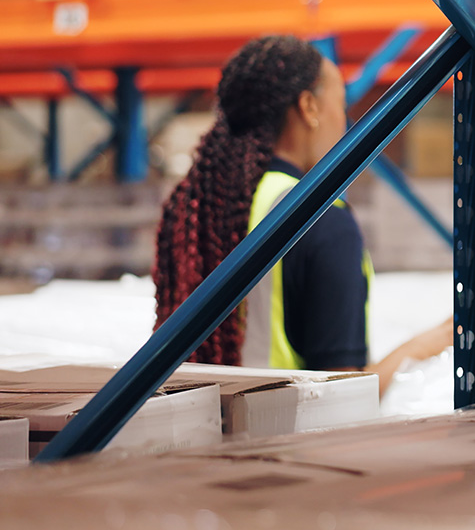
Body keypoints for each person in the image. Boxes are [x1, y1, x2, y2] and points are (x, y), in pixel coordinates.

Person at [153, 34, 447, 394]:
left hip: (203, 433)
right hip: (284, 443)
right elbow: (340, 398)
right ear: (309, 107)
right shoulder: (321, 219)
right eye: (341, 103)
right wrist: (415, 350)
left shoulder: (198, 207)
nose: (344, 121)